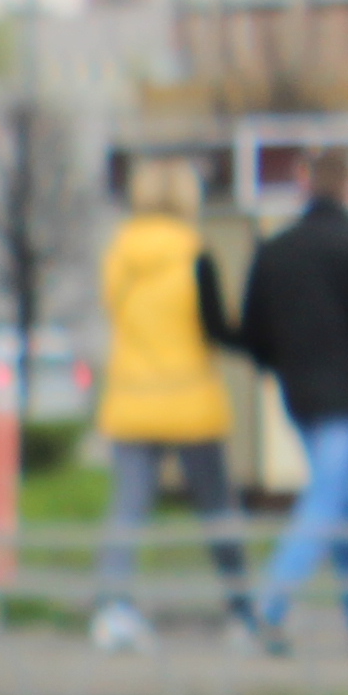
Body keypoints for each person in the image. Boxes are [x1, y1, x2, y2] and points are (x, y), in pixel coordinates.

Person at [236, 146, 348, 655]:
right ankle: (267, 607)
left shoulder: (276, 250)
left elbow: (253, 330)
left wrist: (281, 368)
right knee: (329, 502)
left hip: (299, 399)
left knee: (346, 509)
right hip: (347, 401)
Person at [87, 150, 247, 651]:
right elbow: (215, 326)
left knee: (129, 509)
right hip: (190, 398)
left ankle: (112, 609)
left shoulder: (119, 255)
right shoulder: (194, 253)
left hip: (132, 398)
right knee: (216, 507)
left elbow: (115, 313)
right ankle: (241, 609)